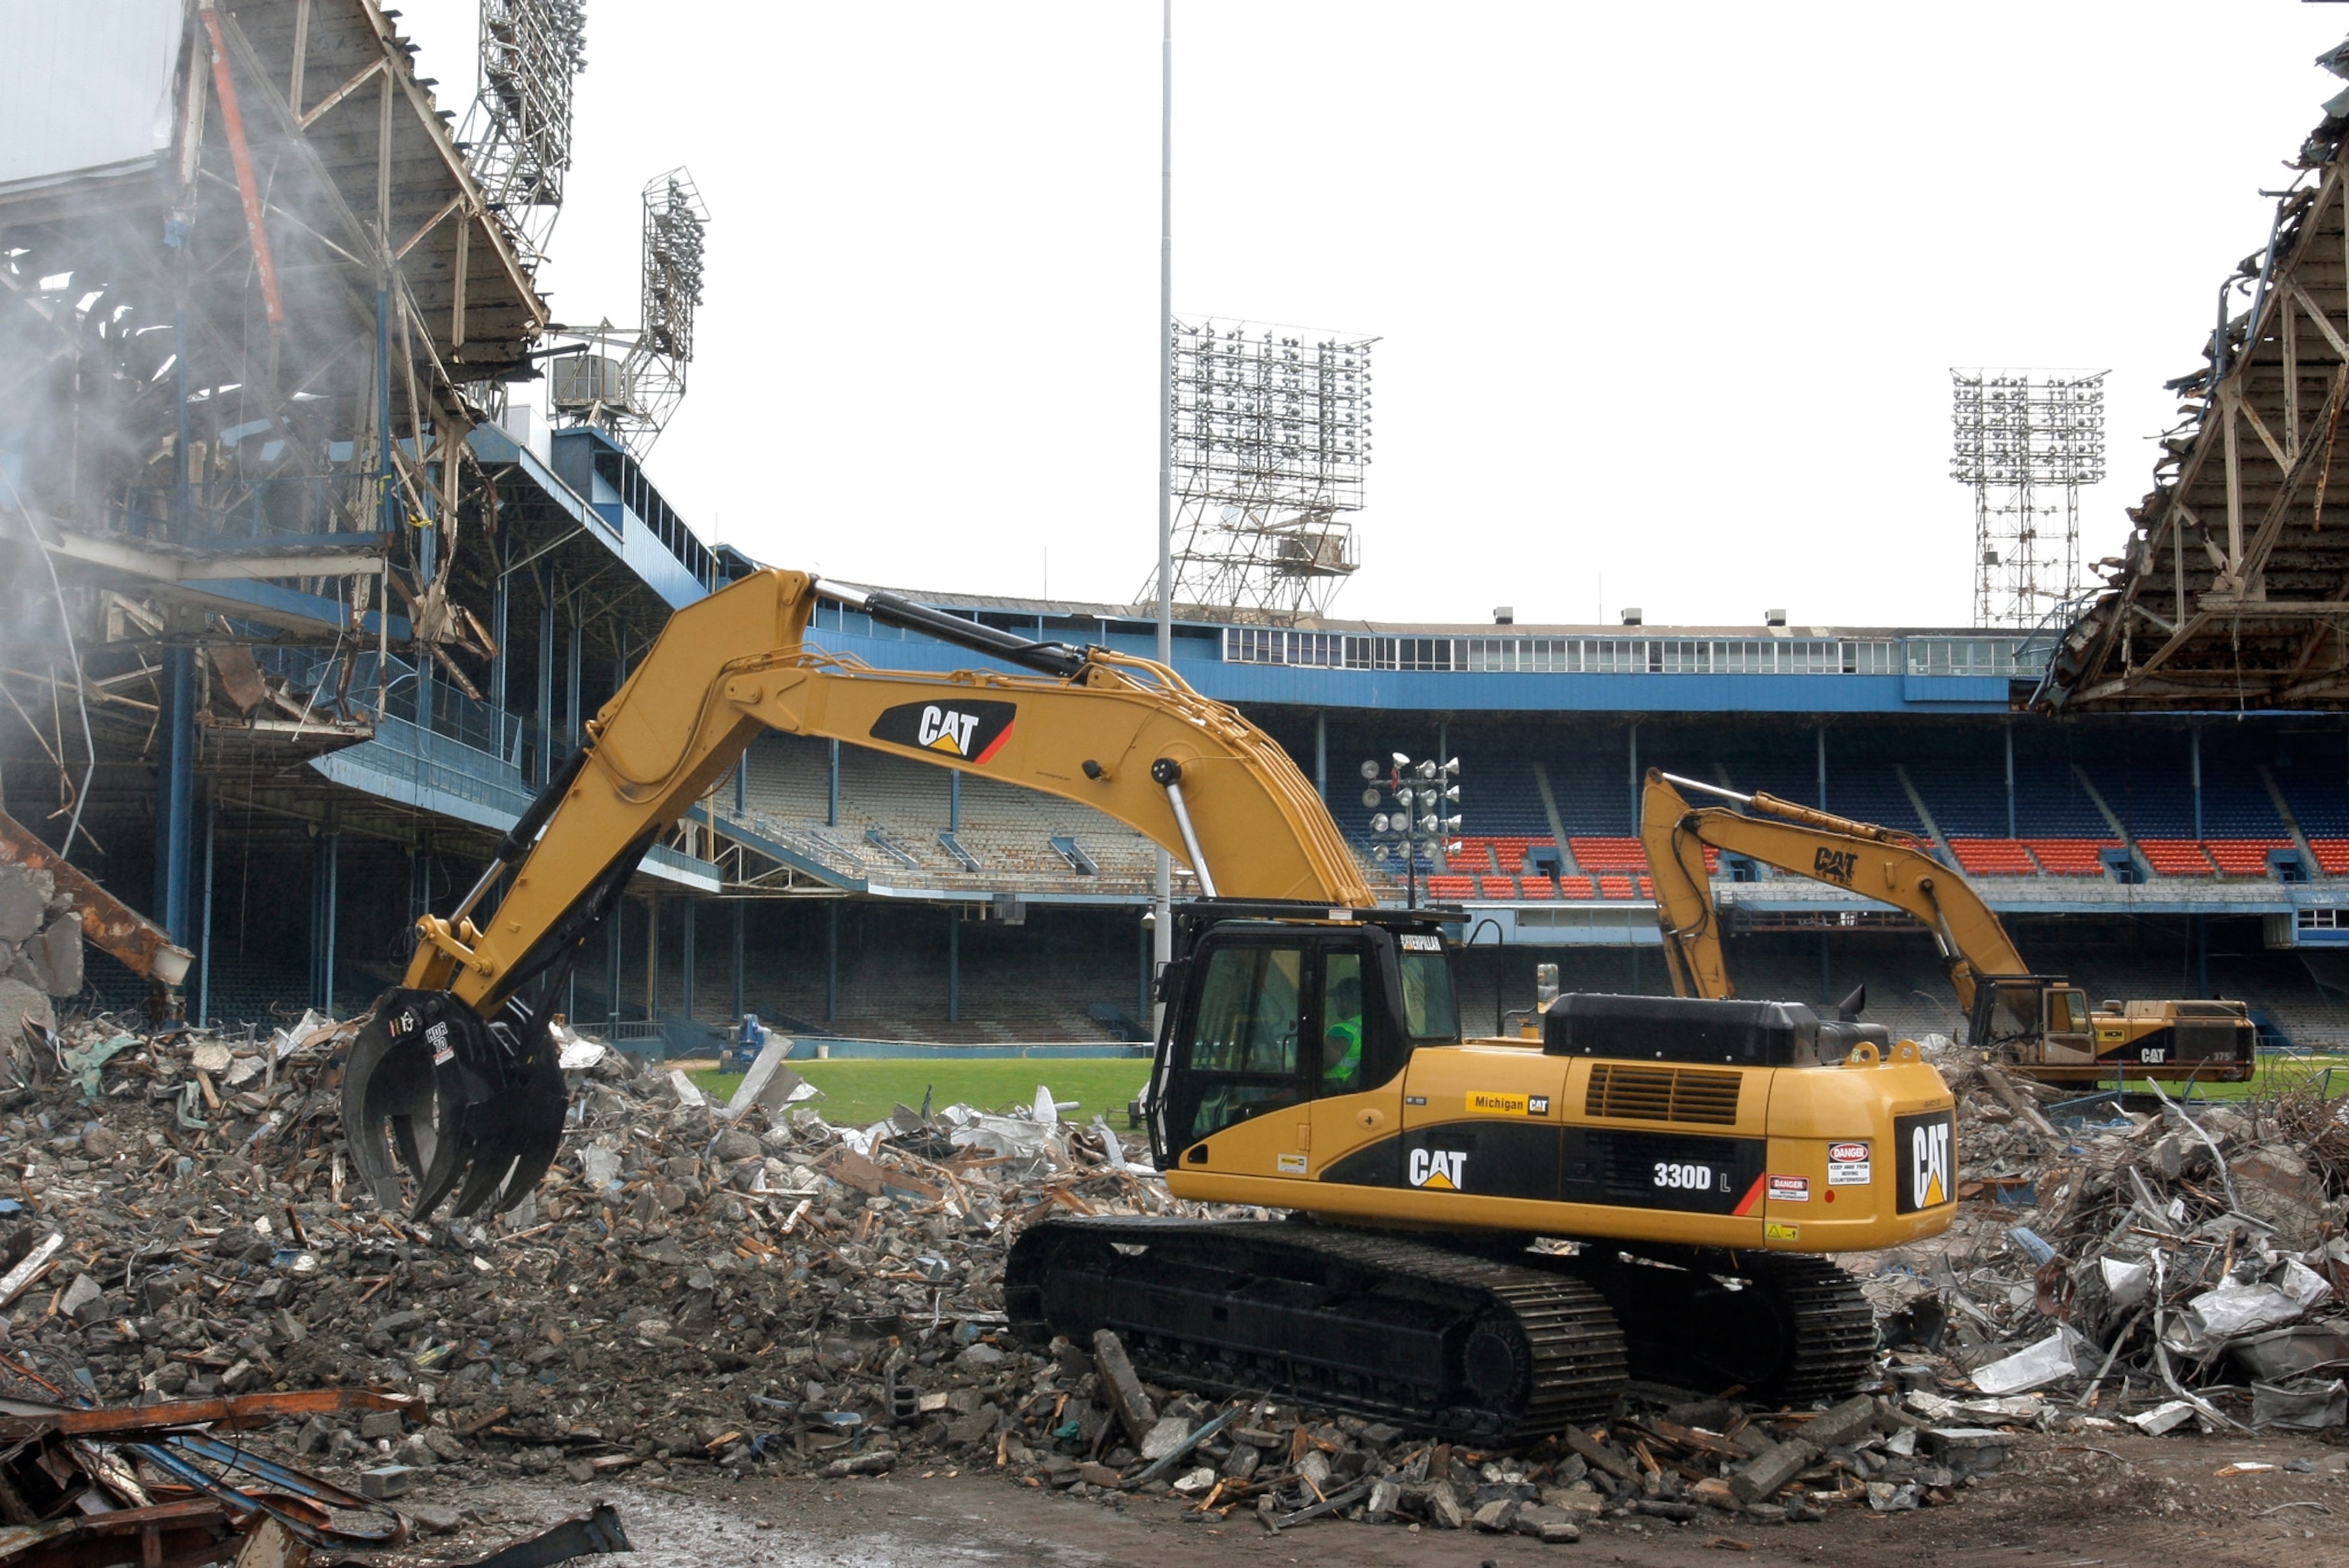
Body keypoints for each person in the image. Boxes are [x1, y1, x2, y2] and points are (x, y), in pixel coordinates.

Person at [1321, 973, 1364, 1091]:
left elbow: (1327, 1061)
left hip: (1326, 1088)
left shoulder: (1342, 1030)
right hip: (1346, 1086)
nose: (1335, 1003)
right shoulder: (1365, 1025)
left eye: (1337, 998)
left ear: (1348, 1001)